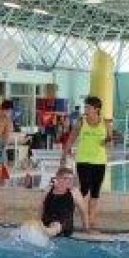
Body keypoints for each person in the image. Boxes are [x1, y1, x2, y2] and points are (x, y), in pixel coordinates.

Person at [62, 95, 113, 231]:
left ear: (96, 109)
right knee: (83, 190)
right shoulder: (81, 122)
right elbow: (71, 138)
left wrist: (107, 141)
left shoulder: (105, 123)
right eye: (85, 107)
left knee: (95, 192)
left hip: (99, 161)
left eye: (88, 107)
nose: (86, 109)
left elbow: (110, 139)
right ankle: (70, 216)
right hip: (83, 160)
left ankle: (91, 220)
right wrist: (64, 154)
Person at [31, 165, 89, 238]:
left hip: (63, 224)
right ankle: (43, 229)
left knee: (56, 225)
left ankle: (46, 231)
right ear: (58, 178)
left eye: (71, 179)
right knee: (37, 224)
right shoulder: (48, 190)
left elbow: (83, 211)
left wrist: (86, 228)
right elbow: (41, 208)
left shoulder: (74, 192)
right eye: (66, 178)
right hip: (47, 221)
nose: (69, 181)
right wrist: (38, 221)